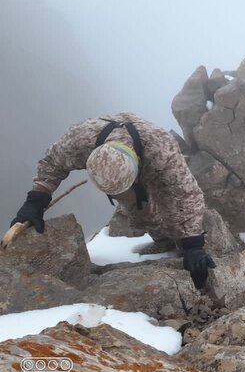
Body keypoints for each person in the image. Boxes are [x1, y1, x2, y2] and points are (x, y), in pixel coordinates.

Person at [11, 112, 215, 288]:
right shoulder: (79, 140)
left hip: (146, 150)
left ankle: (177, 240)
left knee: (169, 205)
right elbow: (53, 162)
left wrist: (192, 243)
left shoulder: (161, 149)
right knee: (138, 211)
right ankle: (163, 241)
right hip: (109, 144)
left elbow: (185, 193)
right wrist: (37, 199)